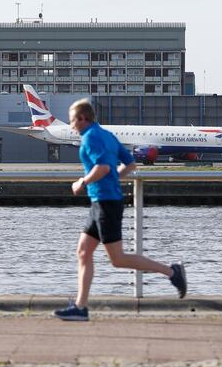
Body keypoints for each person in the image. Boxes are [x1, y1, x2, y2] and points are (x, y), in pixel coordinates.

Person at [54, 99, 187, 321]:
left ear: (83, 119)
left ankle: (172, 272)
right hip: (101, 201)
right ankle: (80, 307)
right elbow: (130, 164)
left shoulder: (91, 137)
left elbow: (103, 167)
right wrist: (112, 178)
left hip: (107, 202)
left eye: (72, 121)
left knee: (118, 259)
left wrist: (82, 183)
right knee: (84, 252)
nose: (71, 126)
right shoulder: (107, 135)